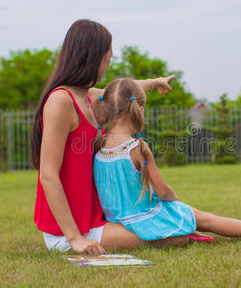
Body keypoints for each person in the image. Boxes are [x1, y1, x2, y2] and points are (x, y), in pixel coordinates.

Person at [30, 19, 189, 255]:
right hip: (71, 231)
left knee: (178, 224)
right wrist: (75, 238)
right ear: (94, 57)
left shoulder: (89, 96)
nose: (109, 62)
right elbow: (48, 175)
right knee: (178, 235)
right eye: (109, 56)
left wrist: (155, 83)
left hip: (95, 220)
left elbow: (127, 90)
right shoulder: (61, 101)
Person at [92, 78, 241, 243]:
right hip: (147, 216)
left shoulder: (98, 144)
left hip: (116, 222)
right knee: (207, 219)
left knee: (198, 219)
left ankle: (191, 233)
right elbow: (163, 192)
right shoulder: (137, 148)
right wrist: (176, 203)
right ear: (139, 108)